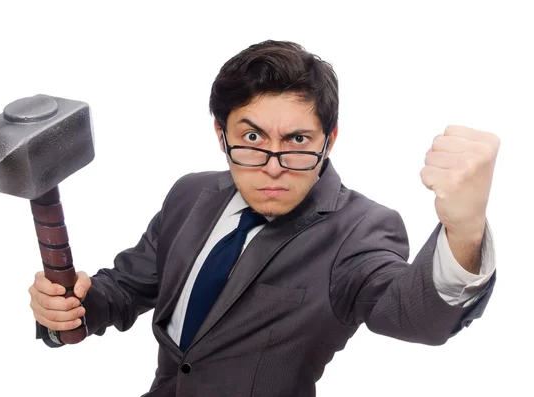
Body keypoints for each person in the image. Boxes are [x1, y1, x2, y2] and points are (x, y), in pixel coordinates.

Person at [28, 40, 499, 397]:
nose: (273, 165)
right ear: (221, 133)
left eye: (296, 141)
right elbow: (128, 287)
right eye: (252, 137)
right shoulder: (190, 193)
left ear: (328, 140)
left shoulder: (361, 230)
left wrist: (464, 228)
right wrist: (72, 308)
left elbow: (416, 316)